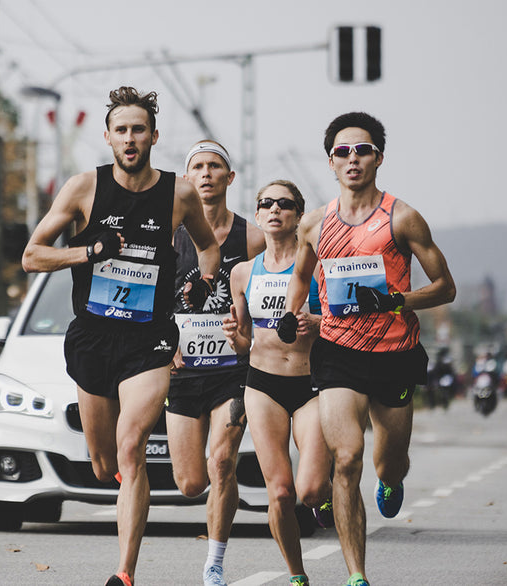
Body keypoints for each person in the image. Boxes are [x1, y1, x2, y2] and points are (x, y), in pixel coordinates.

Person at [22, 86, 220, 586]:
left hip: (149, 341)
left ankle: (124, 573)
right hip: (92, 336)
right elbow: (32, 256)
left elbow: (208, 248)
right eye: (121, 131)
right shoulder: (83, 188)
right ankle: (116, 480)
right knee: (102, 461)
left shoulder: (178, 193)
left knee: (131, 449)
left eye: (139, 130)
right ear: (108, 138)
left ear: (154, 136)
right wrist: (88, 253)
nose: (130, 139)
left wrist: (201, 282)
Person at [279, 112, 456, 586]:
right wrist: (294, 314)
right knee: (347, 457)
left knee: (389, 459)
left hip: (395, 352)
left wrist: (397, 300)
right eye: (342, 151)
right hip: (338, 352)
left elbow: (445, 288)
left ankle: (392, 479)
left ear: (378, 157)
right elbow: (299, 278)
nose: (352, 158)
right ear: (330, 162)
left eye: (362, 150)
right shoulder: (315, 224)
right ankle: (356, 574)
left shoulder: (402, 217)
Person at [222, 180, 332, 586]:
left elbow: (344, 321)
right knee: (281, 493)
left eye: (284, 204)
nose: (274, 210)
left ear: (298, 216)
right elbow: (245, 340)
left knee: (309, 490)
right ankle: (297, 575)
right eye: (265, 203)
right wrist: (234, 334)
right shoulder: (242, 273)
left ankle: (326, 491)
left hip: (311, 385)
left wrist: (317, 323)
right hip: (262, 384)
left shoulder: (315, 269)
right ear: (257, 214)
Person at [167, 140, 264, 586]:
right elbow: (149, 297)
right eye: (198, 167)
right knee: (190, 482)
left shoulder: (253, 237)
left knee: (222, 461)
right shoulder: (171, 235)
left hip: (234, 371)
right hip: (184, 373)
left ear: (230, 178)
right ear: (187, 179)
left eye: (215, 166)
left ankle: (215, 563)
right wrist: (163, 344)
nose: (206, 174)